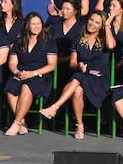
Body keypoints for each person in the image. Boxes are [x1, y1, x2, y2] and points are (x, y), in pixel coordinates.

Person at [41, 10, 111, 139]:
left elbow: (111, 46)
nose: (92, 24)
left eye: (97, 22)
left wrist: (107, 25)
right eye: (91, 20)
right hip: (83, 76)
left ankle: (55, 107)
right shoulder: (78, 39)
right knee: (77, 89)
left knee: (77, 78)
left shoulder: (105, 39)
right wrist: (78, 66)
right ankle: (80, 126)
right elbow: (72, 63)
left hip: (99, 79)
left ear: (102, 26)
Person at [3, 13, 57, 136]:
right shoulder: (19, 41)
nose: (36, 26)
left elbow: (51, 65)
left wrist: (33, 73)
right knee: (10, 87)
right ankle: (22, 121)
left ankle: (16, 123)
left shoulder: (49, 42)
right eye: (33, 23)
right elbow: (12, 63)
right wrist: (17, 72)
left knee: (26, 87)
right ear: (27, 25)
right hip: (21, 72)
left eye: (39, 23)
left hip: (40, 75)